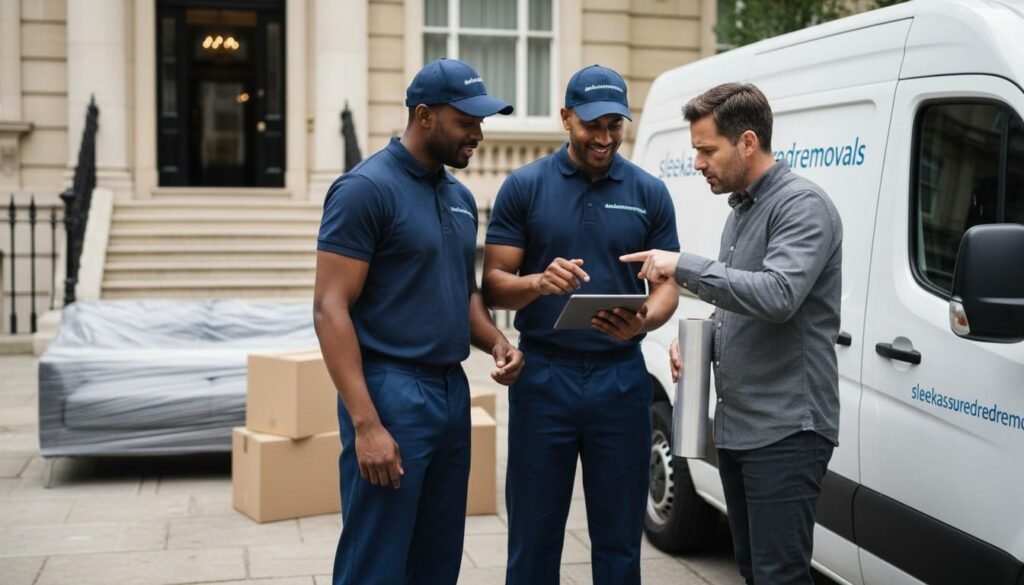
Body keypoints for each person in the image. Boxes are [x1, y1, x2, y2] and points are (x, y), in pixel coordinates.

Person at [621, 82, 843, 585]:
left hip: (787, 431)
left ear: (746, 142)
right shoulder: (742, 210)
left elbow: (778, 295)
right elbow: (742, 302)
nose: (697, 162)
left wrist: (682, 266)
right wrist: (705, 338)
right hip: (742, 428)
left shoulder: (802, 206)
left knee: (779, 575)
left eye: (705, 149)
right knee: (753, 571)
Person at [314, 58, 525, 585]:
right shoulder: (365, 189)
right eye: (467, 121)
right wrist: (367, 425)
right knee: (377, 561)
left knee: (437, 556)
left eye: (482, 122)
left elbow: (465, 295)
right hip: (390, 389)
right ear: (425, 116)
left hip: (450, 391)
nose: (478, 133)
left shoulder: (458, 197)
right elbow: (329, 308)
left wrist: (497, 341)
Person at [482, 64, 680, 585]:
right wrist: (538, 284)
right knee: (533, 535)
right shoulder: (523, 187)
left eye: (616, 124)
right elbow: (493, 283)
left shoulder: (649, 191)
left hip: (621, 376)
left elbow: (667, 285)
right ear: (566, 117)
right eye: (593, 124)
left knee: (619, 540)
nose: (605, 137)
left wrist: (643, 324)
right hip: (545, 375)